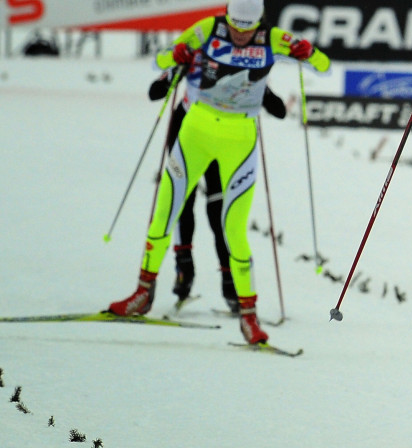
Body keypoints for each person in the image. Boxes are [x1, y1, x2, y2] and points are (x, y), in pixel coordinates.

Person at [107, 0, 330, 344]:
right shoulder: (208, 29)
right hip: (195, 131)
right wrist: (178, 53)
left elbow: (324, 66)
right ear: (226, 17)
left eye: (248, 28)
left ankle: (248, 317)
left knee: (234, 229)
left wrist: (307, 52)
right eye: (235, 27)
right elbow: (160, 60)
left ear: (260, 21)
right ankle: (143, 293)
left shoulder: (273, 38)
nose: (241, 36)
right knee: (164, 213)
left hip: (239, 140)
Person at [148, 66, 289, 314]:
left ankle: (229, 282)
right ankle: (184, 271)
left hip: (224, 134)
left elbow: (279, 110)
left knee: (219, 211)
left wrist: (262, 91)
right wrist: (175, 71)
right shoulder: (195, 51)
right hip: (187, 128)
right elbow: (155, 92)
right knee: (181, 203)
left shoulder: (241, 60)